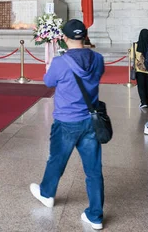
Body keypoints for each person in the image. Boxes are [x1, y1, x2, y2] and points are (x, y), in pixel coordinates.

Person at [29, 19, 105, 230]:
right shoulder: (97, 59)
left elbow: (48, 82)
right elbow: (97, 75)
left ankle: (47, 194)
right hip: (90, 120)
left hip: (66, 121)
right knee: (93, 170)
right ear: (85, 36)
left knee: (56, 160)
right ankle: (95, 216)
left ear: (64, 38)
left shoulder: (60, 62)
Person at [131, 29, 148, 108]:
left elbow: (131, 56)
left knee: (141, 86)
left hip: (139, 69)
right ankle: (147, 101)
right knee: (147, 85)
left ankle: (143, 102)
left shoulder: (135, 45)